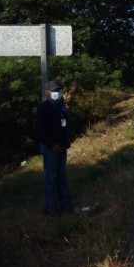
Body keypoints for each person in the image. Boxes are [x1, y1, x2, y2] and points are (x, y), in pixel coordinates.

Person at [35, 79, 74, 216]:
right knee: (51, 178)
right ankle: (50, 208)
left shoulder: (62, 106)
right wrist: (52, 145)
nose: (58, 93)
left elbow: (65, 125)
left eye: (59, 90)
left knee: (62, 177)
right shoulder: (44, 108)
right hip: (50, 148)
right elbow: (39, 131)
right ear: (47, 93)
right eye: (54, 91)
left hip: (62, 147)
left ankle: (66, 205)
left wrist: (67, 141)